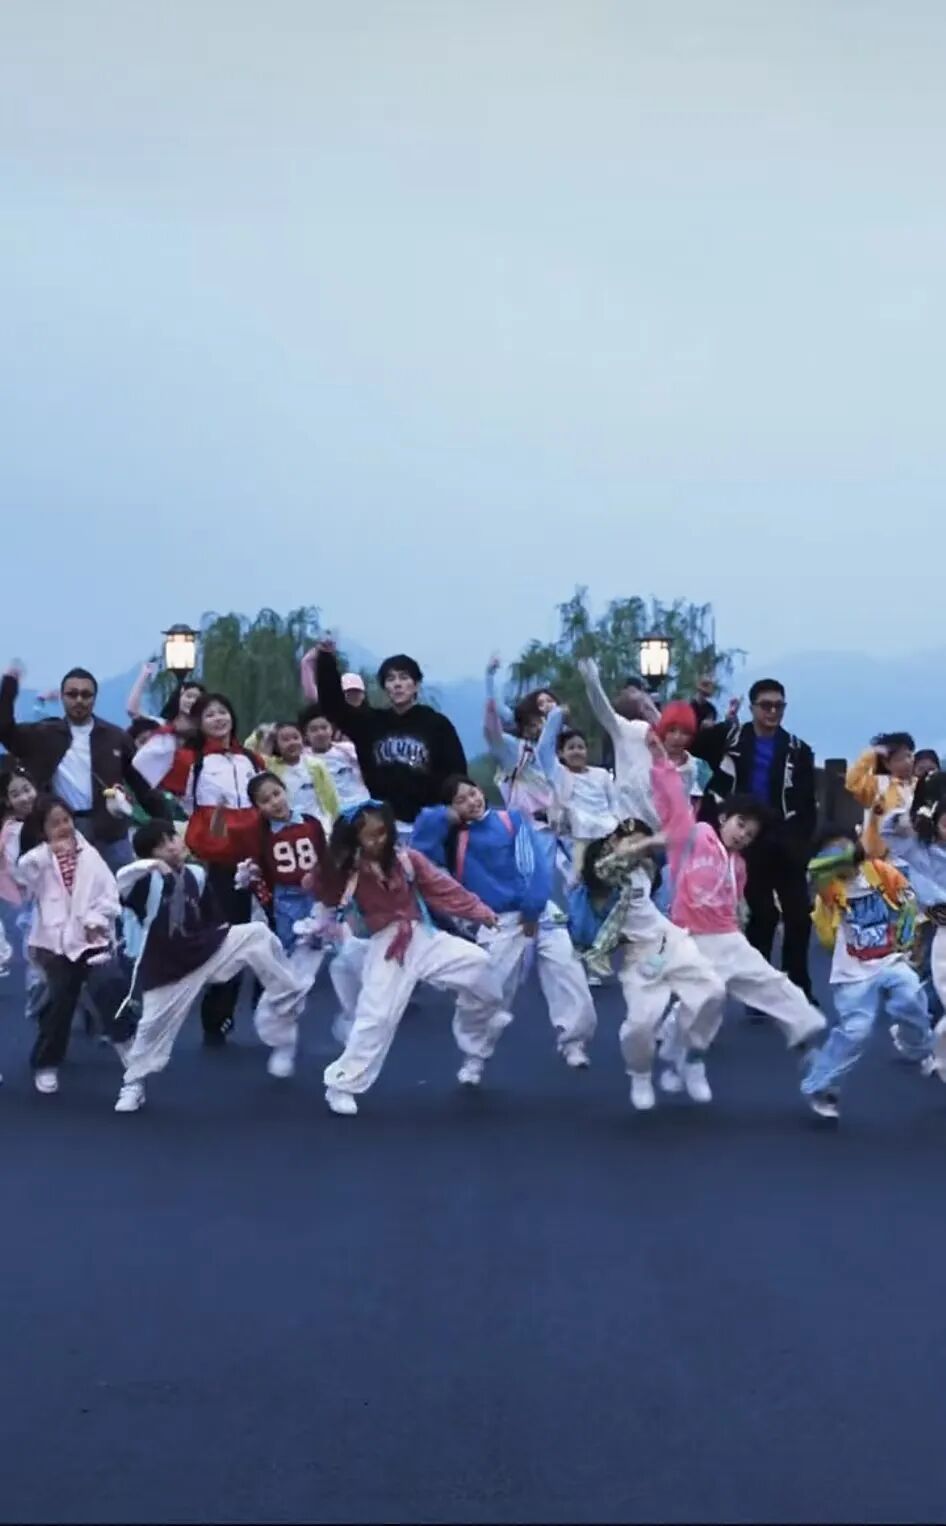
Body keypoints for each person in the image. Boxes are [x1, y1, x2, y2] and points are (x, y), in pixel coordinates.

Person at [648, 737, 825, 1095]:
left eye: (750, 833)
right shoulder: (696, 836)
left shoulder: (739, 865)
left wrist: (739, 930)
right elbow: (676, 806)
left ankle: (807, 1033)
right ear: (723, 818)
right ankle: (686, 1056)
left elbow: (734, 905)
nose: (742, 834)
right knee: (708, 997)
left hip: (727, 937)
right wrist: (661, 763)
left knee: (770, 980)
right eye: (740, 824)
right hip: (689, 938)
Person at [314, 800, 510, 1116]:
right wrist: (332, 865)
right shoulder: (349, 869)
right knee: (377, 1016)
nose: (377, 840)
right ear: (354, 838)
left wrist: (479, 911)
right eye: (369, 835)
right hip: (386, 945)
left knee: (478, 965)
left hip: (421, 935)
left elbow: (444, 888)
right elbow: (319, 889)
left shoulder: (407, 859)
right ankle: (342, 1084)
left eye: (382, 832)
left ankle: (476, 1029)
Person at [112, 820, 306, 1112]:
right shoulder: (145, 881)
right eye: (162, 846)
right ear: (150, 855)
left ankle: (285, 994)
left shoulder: (197, 874)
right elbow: (121, 881)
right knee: (150, 1030)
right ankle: (133, 1085)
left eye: (172, 838)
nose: (172, 846)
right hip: (167, 969)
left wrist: (227, 926)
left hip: (203, 950)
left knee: (257, 934)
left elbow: (212, 917)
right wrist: (152, 866)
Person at [412, 775, 597, 1076]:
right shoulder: (453, 839)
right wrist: (445, 817)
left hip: (539, 912)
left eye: (473, 793)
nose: (472, 802)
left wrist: (533, 909)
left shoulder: (511, 820)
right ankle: (474, 1056)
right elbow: (419, 847)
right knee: (485, 990)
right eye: (461, 800)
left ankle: (574, 1042)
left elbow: (533, 865)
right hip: (497, 921)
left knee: (569, 975)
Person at [132, 692, 263, 1043]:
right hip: (221, 861)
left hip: (259, 859)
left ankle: (268, 1008)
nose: (219, 719)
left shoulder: (251, 759)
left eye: (223, 712)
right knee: (229, 937)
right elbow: (143, 764)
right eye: (209, 715)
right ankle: (217, 1014)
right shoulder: (193, 761)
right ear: (199, 723)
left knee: (270, 935)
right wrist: (174, 730)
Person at [577, 820, 727, 1111]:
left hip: (668, 940)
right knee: (640, 1026)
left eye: (642, 843)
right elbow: (606, 869)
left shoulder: (646, 869)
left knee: (713, 992)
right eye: (631, 841)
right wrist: (644, 844)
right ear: (614, 840)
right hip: (637, 955)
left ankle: (689, 1055)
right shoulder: (602, 871)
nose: (638, 848)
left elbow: (662, 900)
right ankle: (640, 1074)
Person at [691, 677, 817, 1000]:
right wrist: (700, 701)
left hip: (783, 840)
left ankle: (797, 986)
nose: (772, 712)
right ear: (753, 708)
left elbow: (807, 803)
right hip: (745, 837)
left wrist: (803, 846)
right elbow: (692, 742)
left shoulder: (798, 750)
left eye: (778, 706)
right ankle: (758, 990)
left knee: (799, 916)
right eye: (766, 706)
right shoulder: (731, 737)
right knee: (762, 915)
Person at [800, 828, 939, 1120]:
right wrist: (832, 859)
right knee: (856, 1031)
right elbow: (815, 870)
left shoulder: (877, 871)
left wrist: (908, 933)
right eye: (832, 850)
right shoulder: (830, 886)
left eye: (845, 847)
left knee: (911, 992)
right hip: (852, 971)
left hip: (888, 958)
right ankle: (821, 1085)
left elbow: (908, 898)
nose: (841, 854)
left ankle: (915, 1044)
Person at [0, 661, 167, 871]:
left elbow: (142, 786)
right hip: (63, 830)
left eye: (86, 694)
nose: (79, 700)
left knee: (121, 886)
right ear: (62, 697)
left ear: (95, 698)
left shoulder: (115, 737)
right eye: (72, 694)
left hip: (111, 833)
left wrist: (166, 825)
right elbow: (5, 731)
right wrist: (9, 685)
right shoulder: (44, 735)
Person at [15, 797, 130, 1094]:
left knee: (109, 985)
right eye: (55, 823)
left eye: (66, 820)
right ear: (43, 830)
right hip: (53, 942)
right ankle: (46, 1063)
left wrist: (96, 920)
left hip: (91, 938)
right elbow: (22, 877)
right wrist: (45, 854)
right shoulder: (39, 860)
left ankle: (125, 1043)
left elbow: (108, 893)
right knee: (60, 1000)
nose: (63, 827)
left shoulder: (89, 855)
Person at [314, 640, 467, 837]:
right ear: (385, 687)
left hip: (428, 822)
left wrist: (455, 806)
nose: (397, 684)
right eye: (390, 679)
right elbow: (333, 707)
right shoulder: (371, 723)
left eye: (404, 677)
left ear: (416, 685)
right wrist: (326, 660)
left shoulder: (436, 724)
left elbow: (457, 771)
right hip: (385, 823)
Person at [535, 703, 621, 879]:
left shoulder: (602, 775)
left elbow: (615, 804)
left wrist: (619, 829)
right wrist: (556, 714)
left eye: (580, 747)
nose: (576, 752)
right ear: (561, 753)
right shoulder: (559, 775)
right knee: (580, 880)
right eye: (571, 748)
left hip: (610, 834)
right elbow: (543, 749)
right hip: (579, 839)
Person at [244, 720, 338, 831]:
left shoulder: (316, 765)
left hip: (321, 825)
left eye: (296, 738)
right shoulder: (271, 767)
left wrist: (336, 821)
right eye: (285, 740)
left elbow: (331, 796)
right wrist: (261, 733)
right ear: (277, 745)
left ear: (303, 739)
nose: (292, 743)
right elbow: (249, 751)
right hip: (288, 826)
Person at [845, 733, 915, 861]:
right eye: (899, 759)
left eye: (909, 756)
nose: (907, 762)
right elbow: (853, 783)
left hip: (913, 857)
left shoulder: (919, 785)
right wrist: (870, 754)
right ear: (886, 764)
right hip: (880, 859)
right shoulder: (878, 784)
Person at [299, 704, 370, 811]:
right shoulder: (303, 758)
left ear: (331, 729)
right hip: (332, 813)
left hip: (362, 804)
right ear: (305, 735)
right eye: (314, 730)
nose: (320, 733)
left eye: (324, 728)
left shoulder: (348, 749)